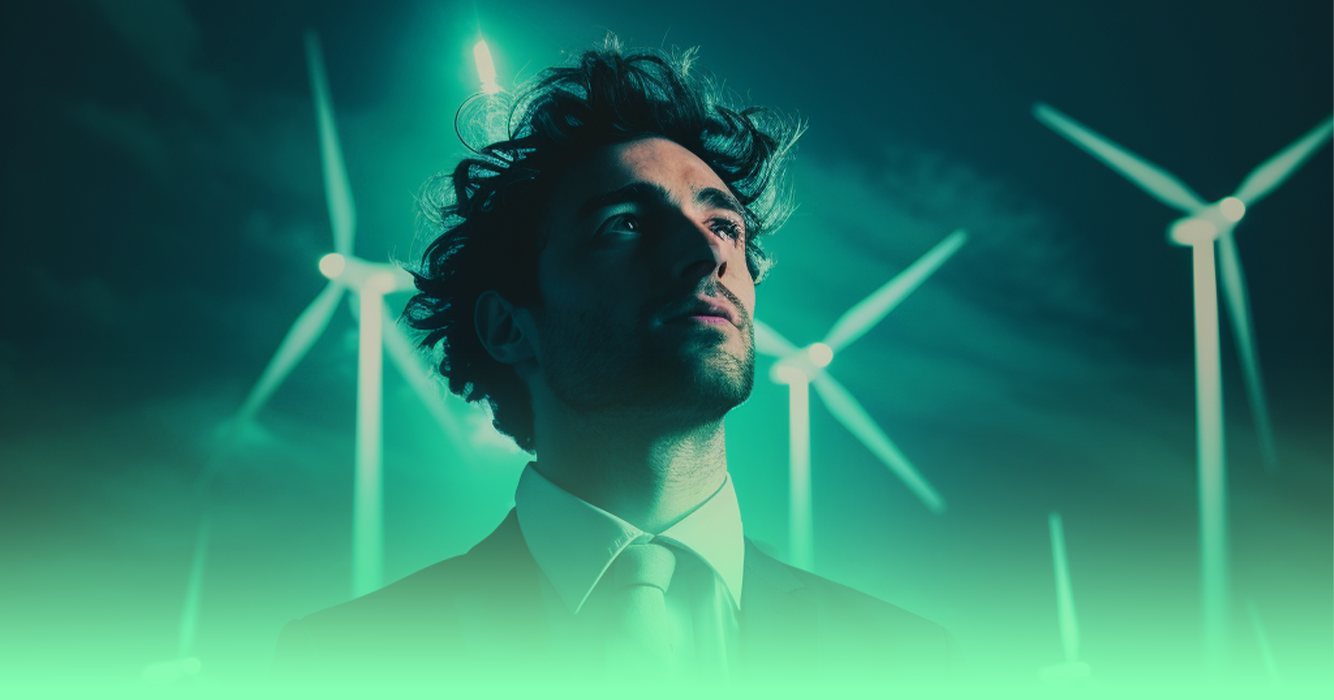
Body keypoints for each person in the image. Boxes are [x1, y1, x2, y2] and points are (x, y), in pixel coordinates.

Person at [271, 37, 962, 693]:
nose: (706, 254)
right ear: (509, 325)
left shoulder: (915, 667)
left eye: (724, 226)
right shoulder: (339, 666)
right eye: (624, 225)